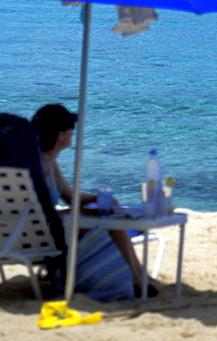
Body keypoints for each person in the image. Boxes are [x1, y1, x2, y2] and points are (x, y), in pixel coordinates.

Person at [31, 104, 162, 297]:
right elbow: (39, 212)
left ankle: (140, 275)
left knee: (112, 218)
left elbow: (70, 197)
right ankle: (137, 277)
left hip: (50, 226)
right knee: (112, 222)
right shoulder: (39, 166)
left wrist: (98, 198)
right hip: (45, 233)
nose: (73, 133)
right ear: (61, 135)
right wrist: (83, 212)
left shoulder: (50, 162)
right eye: (70, 129)